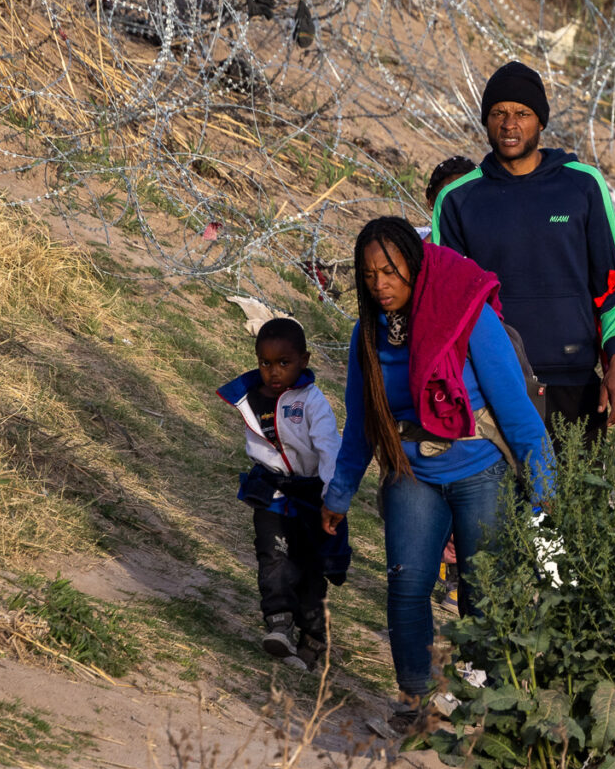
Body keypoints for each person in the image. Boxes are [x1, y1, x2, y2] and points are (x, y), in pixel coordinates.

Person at [321, 218, 555, 726]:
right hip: (411, 469)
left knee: (482, 587)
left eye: (391, 271)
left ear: (416, 266)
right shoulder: (368, 335)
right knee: (407, 583)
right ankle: (414, 701)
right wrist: (338, 495)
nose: (380, 285)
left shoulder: (464, 316)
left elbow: (516, 408)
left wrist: (544, 485)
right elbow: (361, 423)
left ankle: (480, 702)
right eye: (368, 275)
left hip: (479, 468)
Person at [432, 61, 615, 438]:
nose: (510, 124)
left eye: (522, 113)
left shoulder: (583, 185)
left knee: (576, 495)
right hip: (494, 384)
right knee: (508, 498)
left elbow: (613, 286)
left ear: (540, 121)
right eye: (498, 113)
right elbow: (449, 306)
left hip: (574, 381)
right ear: (485, 121)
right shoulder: (458, 200)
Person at [217, 316, 346, 672]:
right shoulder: (251, 395)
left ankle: (313, 638)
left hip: (311, 495)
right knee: (271, 555)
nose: (274, 372)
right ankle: (278, 623)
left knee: (308, 569)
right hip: (271, 490)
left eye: (284, 364)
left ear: (304, 361)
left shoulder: (312, 402)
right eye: (265, 363)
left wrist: (333, 494)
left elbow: (329, 448)